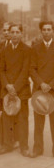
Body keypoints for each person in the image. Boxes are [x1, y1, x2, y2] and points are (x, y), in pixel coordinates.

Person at [0, 24, 32, 156]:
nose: (15, 34)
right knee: (6, 118)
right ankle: (7, 144)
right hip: (7, 89)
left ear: (21, 34)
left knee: (22, 119)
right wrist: (7, 86)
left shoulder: (27, 50)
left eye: (17, 32)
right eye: (12, 32)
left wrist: (15, 88)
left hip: (21, 90)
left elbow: (25, 71)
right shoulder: (4, 50)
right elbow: (1, 70)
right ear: (9, 34)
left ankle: (24, 146)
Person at [30, 21, 54, 157]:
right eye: (44, 30)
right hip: (39, 90)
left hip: (53, 89)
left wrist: (50, 84)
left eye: (49, 29)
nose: (46, 32)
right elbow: (31, 69)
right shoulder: (35, 48)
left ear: (53, 31)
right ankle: (38, 148)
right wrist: (41, 84)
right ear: (41, 31)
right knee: (38, 121)